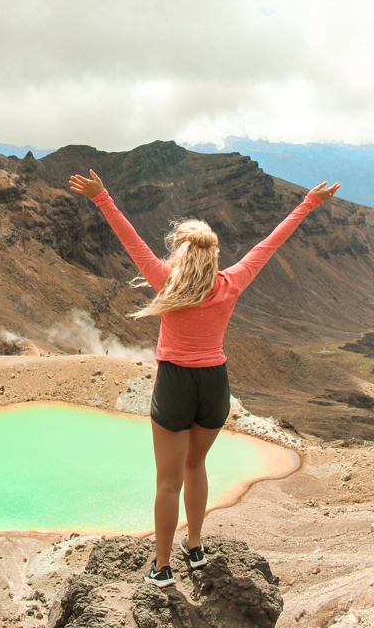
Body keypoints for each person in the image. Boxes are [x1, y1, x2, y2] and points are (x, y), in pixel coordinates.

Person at [69, 169, 340, 589]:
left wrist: (103, 197)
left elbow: (131, 241)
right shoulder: (231, 284)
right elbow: (270, 244)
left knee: (167, 481)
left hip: (175, 384)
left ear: (180, 253)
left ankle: (161, 568)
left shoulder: (166, 282)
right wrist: (308, 203)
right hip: (215, 385)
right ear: (213, 256)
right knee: (197, 465)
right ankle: (195, 548)